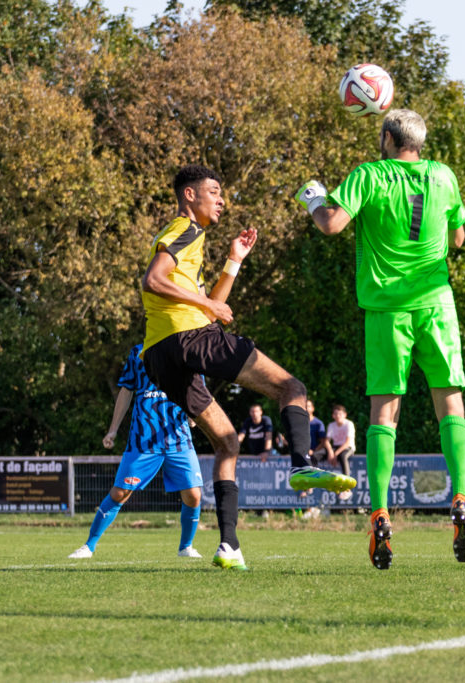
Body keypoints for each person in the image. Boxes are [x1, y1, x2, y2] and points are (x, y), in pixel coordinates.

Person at [141, 164, 356, 571]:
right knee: (292, 388)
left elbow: (211, 305)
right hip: (187, 338)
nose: (222, 200)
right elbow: (154, 281)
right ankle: (301, 466)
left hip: (159, 355)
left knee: (227, 443)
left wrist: (234, 261)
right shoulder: (184, 230)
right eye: (215, 192)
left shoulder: (191, 242)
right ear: (190, 195)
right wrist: (207, 305)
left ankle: (229, 546)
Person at [295, 109, 465, 570]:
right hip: (437, 305)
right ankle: (461, 498)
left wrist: (314, 197)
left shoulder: (369, 176)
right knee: (450, 404)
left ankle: (378, 511)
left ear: (389, 139)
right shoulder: (443, 175)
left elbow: (331, 224)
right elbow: (457, 239)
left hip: (386, 311)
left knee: (384, 412)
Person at [69, 343, 205, 560]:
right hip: (143, 439)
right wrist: (113, 430)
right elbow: (126, 390)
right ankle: (88, 546)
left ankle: (186, 547)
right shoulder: (139, 352)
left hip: (178, 438)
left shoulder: (186, 349)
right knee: (120, 493)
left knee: (194, 495)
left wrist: (194, 415)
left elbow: (196, 389)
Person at [325, 404, 356, 502]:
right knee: (318, 455)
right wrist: (330, 452)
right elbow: (326, 441)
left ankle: (347, 488)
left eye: (340, 414)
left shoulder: (349, 424)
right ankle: (310, 485)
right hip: (335, 447)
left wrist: (336, 454)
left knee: (343, 457)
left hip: (348, 447)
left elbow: (347, 442)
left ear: (345, 415)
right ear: (333, 416)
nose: (338, 416)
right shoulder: (331, 425)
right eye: (336, 414)